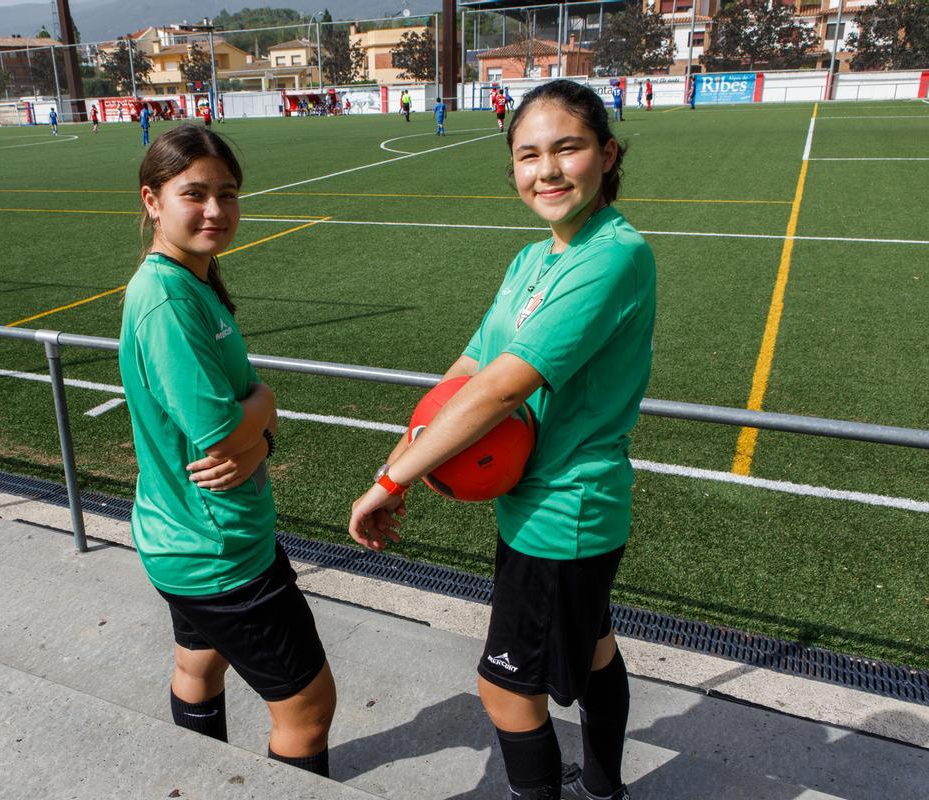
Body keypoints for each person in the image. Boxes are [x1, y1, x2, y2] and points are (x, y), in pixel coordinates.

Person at [348, 79, 655, 800]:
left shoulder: (611, 256)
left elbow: (501, 391)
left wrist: (389, 481)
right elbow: (468, 370)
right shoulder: (532, 260)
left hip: (563, 514)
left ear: (607, 155)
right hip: (541, 510)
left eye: (567, 148)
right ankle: (607, 790)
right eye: (527, 155)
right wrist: (417, 443)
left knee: (506, 691)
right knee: (596, 648)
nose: (546, 170)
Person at [124, 125, 337, 779]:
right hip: (222, 553)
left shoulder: (191, 280)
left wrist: (262, 438)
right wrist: (268, 404)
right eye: (195, 193)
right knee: (306, 707)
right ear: (153, 200)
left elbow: (233, 433)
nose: (216, 210)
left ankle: (203, 777)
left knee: (198, 661)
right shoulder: (166, 298)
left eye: (228, 193)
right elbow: (220, 430)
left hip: (178, 538)